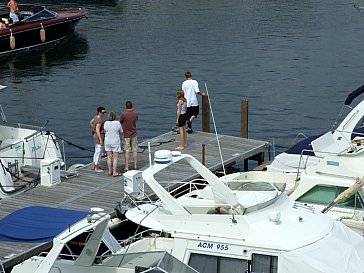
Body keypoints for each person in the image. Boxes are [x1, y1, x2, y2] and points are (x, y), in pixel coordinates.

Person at [119, 101, 138, 171]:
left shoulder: (123, 114)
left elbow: (120, 122)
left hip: (126, 134)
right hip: (134, 134)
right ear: (132, 106)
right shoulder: (135, 113)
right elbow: (136, 120)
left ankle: (126, 167)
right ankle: (135, 165)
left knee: (126, 150)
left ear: (126, 106)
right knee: (135, 150)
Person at [104, 111, 123, 176]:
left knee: (109, 157)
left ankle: (109, 171)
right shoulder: (118, 123)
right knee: (115, 157)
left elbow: (105, 130)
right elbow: (121, 131)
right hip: (115, 142)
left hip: (107, 141)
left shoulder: (106, 123)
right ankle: (114, 172)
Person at [90, 106, 106, 173]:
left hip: (95, 135)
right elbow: (98, 130)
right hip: (99, 136)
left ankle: (95, 164)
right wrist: (101, 140)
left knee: (96, 151)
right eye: (102, 112)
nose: (104, 114)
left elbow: (91, 122)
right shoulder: (99, 120)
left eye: (104, 112)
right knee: (99, 151)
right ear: (99, 112)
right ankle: (97, 166)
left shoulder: (95, 117)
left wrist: (93, 128)